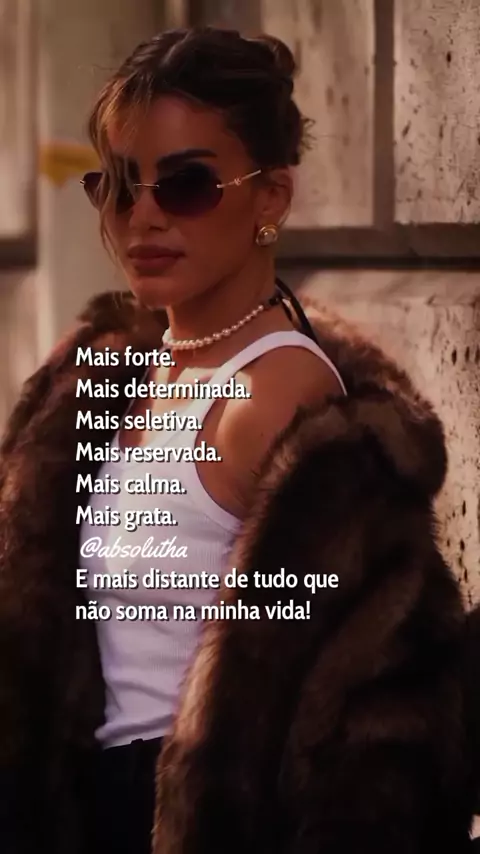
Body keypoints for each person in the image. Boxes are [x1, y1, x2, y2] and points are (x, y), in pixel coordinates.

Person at [0, 25, 475, 854]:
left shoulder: (274, 395)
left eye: (187, 185)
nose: (144, 216)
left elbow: (363, 711)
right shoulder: (110, 376)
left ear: (272, 197)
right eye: (119, 186)